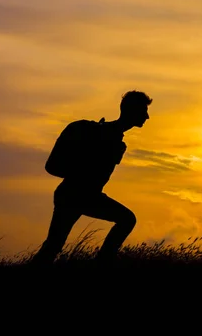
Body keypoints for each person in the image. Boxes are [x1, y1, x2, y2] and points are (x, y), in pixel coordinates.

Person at [30, 90, 152, 267]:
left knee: (53, 245)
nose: (147, 117)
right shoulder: (93, 132)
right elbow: (53, 166)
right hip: (74, 195)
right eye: (143, 111)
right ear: (131, 111)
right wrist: (81, 177)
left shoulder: (118, 142)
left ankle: (103, 261)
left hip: (84, 195)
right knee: (54, 245)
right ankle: (103, 263)